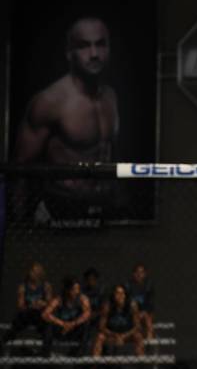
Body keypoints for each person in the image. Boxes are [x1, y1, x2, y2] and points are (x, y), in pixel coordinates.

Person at [12, 17, 119, 221]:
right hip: (60, 208)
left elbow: (111, 153)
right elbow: (20, 168)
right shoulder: (49, 102)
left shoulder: (111, 97)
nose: (94, 54)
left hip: (102, 208)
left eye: (101, 44)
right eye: (84, 46)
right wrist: (19, 226)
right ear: (69, 53)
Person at [1, 262, 53, 346]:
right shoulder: (23, 286)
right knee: (17, 321)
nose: (35, 274)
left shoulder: (46, 286)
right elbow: (20, 305)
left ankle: (45, 352)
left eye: (37, 271)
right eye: (33, 271)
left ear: (41, 273)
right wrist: (31, 305)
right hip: (27, 314)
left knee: (47, 322)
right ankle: (5, 340)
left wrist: (43, 303)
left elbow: (50, 303)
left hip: (40, 315)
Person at [92, 284, 144, 359]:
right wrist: (115, 335)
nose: (120, 296)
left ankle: (141, 366)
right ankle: (94, 366)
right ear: (113, 295)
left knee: (138, 336)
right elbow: (101, 326)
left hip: (127, 335)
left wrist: (123, 336)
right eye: (117, 293)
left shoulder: (132, 305)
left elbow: (137, 326)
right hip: (111, 335)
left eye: (122, 293)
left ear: (125, 295)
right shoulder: (107, 306)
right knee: (99, 337)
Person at [42, 277, 91, 356]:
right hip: (61, 330)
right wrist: (62, 323)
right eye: (74, 289)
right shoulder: (59, 299)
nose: (76, 291)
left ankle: (79, 352)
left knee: (86, 324)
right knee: (48, 325)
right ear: (68, 289)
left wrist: (73, 324)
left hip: (74, 330)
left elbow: (87, 314)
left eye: (78, 289)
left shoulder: (82, 299)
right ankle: (46, 353)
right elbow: (45, 314)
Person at [126, 263, 154, 339]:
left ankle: (149, 337)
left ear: (145, 274)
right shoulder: (128, 285)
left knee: (147, 316)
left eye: (141, 272)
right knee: (133, 306)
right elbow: (125, 302)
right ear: (133, 274)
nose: (139, 274)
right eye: (137, 272)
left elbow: (150, 304)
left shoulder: (148, 286)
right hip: (131, 313)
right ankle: (138, 333)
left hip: (144, 312)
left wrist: (143, 312)